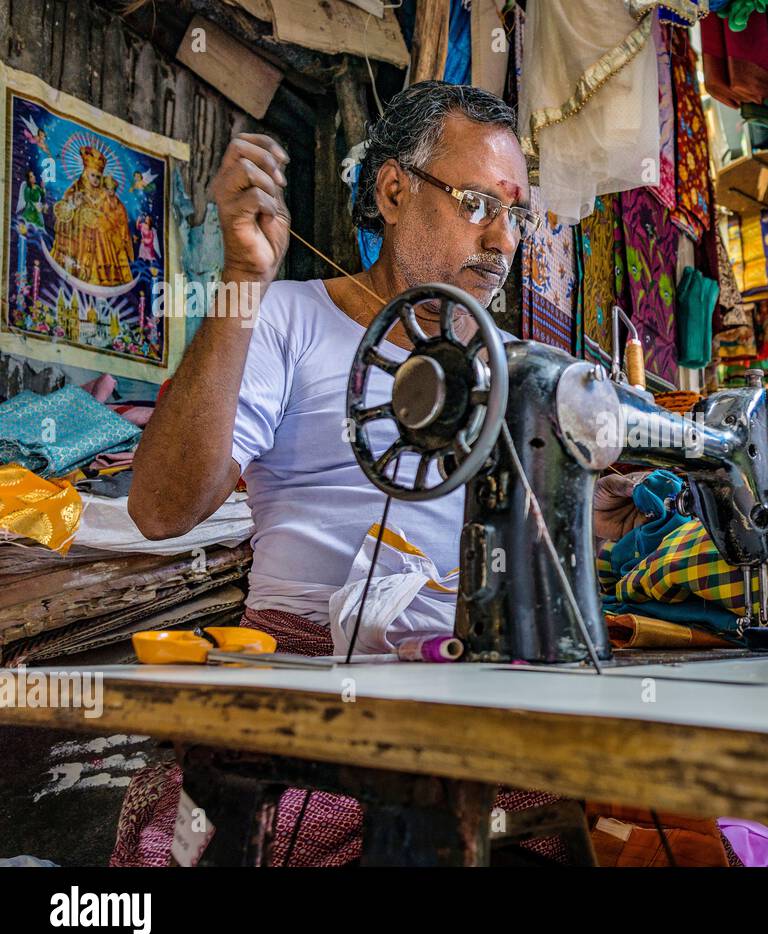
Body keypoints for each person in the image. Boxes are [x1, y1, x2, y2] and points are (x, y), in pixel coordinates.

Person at [118, 82, 642, 867]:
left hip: (464, 688)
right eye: (476, 203)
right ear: (394, 190)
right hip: (305, 679)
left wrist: (581, 515)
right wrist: (242, 277)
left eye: (515, 214)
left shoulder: (514, 374)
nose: (502, 241)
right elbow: (161, 509)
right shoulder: (289, 318)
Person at [50, 146, 135, 286]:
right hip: (79, 241)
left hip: (101, 244)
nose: (95, 180)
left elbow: (117, 214)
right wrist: (74, 206)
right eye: (92, 175)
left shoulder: (105, 193)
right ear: (85, 173)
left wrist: (103, 220)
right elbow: (63, 215)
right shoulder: (76, 189)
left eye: (98, 177)